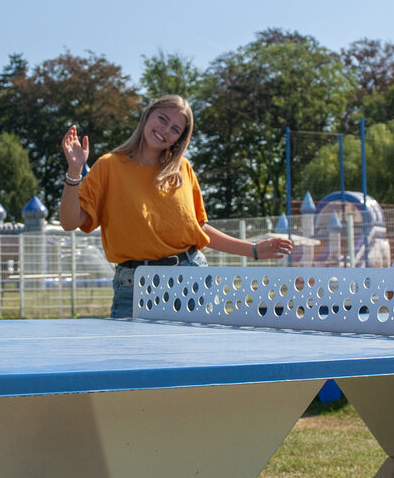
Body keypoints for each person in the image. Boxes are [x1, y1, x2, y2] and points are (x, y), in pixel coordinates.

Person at [59, 94, 293, 319]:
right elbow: (70, 222)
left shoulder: (183, 169)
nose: (165, 131)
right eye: (162, 119)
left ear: (180, 138)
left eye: (175, 129)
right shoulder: (108, 166)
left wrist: (253, 250)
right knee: (128, 359)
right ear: (148, 115)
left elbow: (199, 230)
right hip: (132, 285)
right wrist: (74, 171)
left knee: (193, 359)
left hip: (190, 280)